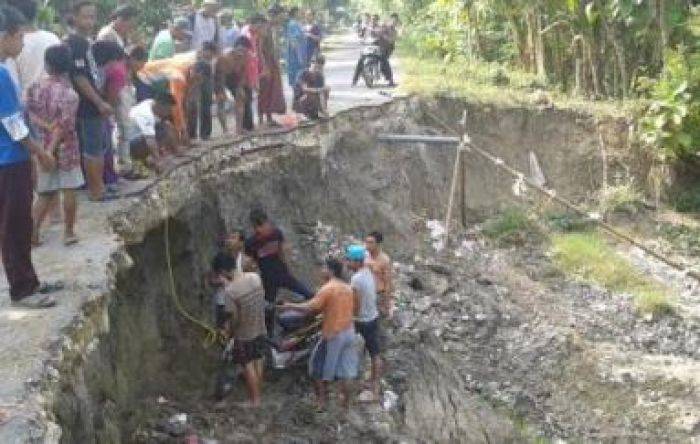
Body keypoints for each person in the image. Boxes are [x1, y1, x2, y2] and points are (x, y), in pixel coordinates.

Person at [0, 4, 61, 308]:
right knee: (14, 225)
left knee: (20, 222)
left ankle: (29, 280)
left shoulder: (3, 71)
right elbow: (13, 125)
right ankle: (22, 289)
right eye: (20, 37)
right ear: (6, 36)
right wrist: (41, 154)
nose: (23, 43)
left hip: (12, 160)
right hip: (8, 160)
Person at [280, 258, 357, 409]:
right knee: (345, 372)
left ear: (331, 271)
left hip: (333, 334)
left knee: (316, 368)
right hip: (349, 331)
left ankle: (321, 402)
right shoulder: (347, 288)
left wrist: (289, 306)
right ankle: (346, 405)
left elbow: (310, 308)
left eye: (323, 268)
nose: (321, 271)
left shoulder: (328, 289)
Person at [26, 44, 83, 248]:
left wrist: (44, 145)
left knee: (45, 192)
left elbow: (29, 113)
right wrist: (51, 150)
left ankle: (32, 233)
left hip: (41, 144)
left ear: (47, 64)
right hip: (65, 148)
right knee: (69, 188)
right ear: (67, 66)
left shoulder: (35, 87)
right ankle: (68, 232)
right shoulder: (70, 94)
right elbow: (64, 126)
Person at [65, 1, 114, 202]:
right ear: (74, 17)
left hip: (95, 103)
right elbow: (79, 77)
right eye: (86, 16)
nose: (90, 21)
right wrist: (99, 102)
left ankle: (100, 186)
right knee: (93, 149)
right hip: (88, 105)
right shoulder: (75, 42)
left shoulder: (86, 41)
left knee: (100, 147)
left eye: (93, 16)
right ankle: (96, 190)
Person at [244, 208, 313, 335]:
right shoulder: (251, 243)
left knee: (308, 293)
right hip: (268, 279)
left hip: (282, 273)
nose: (263, 228)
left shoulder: (276, 234)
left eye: (264, 224)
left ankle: (315, 315)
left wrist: (288, 269)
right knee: (268, 307)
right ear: (255, 227)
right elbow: (250, 263)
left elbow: (282, 252)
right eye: (259, 226)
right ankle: (268, 335)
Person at [217, 252, 267, 408]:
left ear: (223, 272)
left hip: (244, 334)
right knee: (258, 359)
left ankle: (254, 401)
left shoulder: (230, 292)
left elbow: (234, 317)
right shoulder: (254, 277)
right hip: (260, 326)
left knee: (247, 365)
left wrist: (228, 331)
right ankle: (259, 393)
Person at [346, 244, 383, 401]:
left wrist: (350, 318)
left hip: (362, 320)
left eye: (349, 260)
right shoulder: (368, 271)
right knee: (375, 352)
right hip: (373, 316)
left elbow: (356, 304)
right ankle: (374, 382)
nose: (347, 263)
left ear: (356, 262)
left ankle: (350, 379)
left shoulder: (356, 279)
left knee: (348, 345)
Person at [5, 0, 61, 95]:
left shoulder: (12, 43)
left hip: (26, 105)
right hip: (55, 102)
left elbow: (12, 83)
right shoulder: (53, 38)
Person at [93, 40, 127, 191]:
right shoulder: (117, 71)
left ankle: (98, 179)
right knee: (104, 146)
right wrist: (109, 110)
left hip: (91, 108)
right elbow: (113, 97)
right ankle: (108, 179)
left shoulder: (96, 69)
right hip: (101, 110)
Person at [126, 91, 182, 172]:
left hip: (138, 136)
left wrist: (177, 150)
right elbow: (150, 140)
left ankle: (153, 156)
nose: (169, 112)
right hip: (129, 143)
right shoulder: (145, 114)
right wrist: (159, 161)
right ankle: (141, 159)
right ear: (160, 105)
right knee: (158, 133)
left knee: (165, 126)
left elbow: (168, 127)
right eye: (168, 109)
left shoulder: (152, 103)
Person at [214, 36, 253, 134]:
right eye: (240, 50)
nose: (242, 54)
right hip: (220, 76)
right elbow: (220, 76)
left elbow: (243, 73)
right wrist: (221, 91)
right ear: (235, 48)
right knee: (221, 100)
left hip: (234, 76)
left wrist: (240, 87)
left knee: (241, 97)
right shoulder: (225, 57)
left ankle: (238, 128)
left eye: (244, 51)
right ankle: (225, 130)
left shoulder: (246, 57)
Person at [352, 14, 396, 88]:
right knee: (360, 61)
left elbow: (387, 37)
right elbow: (361, 36)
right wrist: (360, 39)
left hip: (377, 48)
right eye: (372, 19)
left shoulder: (381, 28)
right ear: (370, 20)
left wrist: (386, 38)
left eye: (375, 19)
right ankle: (354, 80)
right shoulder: (366, 28)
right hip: (367, 47)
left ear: (377, 20)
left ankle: (390, 80)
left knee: (384, 61)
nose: (373, 21)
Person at [257, 16, 286, 127]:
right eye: (280, 16)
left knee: (271, 91)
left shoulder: (273, 29)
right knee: (263, 91)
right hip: (266, 63)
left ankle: (269, 117)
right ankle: (260, 120)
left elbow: (274, 48)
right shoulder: (264, 29)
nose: (280, 19)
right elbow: (259, 49)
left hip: (272, 62)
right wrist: (264, 66)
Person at [187, 41, 217, 141]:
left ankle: (199, 134)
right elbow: (198, 78)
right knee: (200, 110)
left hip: (204, 89)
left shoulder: (204, 61)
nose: (212, 55)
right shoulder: (201, 62)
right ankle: (202, 134)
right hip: (201, 89)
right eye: (211, 53)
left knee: (202, 110)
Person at [365, 231, 394, 318]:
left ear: (378, 244)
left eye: (371, 242)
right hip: (365, 294)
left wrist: (387, 303)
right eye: (366, 242)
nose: (367, 245)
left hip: (378, 295)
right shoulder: (364, 256)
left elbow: (388, 282)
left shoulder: (384, 260)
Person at [293, 55, 329, 120]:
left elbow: (322, 94)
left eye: (320, 67)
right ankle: (302, 114)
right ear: (312, 63)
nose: (317, 68)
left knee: (325, 91)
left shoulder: (320, 76)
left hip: (314, 101)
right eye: (316, 65)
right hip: (301, 99)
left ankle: (320, 111)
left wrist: (324, 110)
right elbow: (305, 89)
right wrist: (319, 90)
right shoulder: (302, 74)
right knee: (311, 95)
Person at [284, 7, 304, 87]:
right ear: (295, 13)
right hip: (295, 56)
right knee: (297, 77)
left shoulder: (295, 23)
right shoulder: (293, 24)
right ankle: (297, 97)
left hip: (297, 54)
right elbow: (293, 42)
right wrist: (299, 57)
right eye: (299, 12)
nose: (301, 14)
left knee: (298, 78)